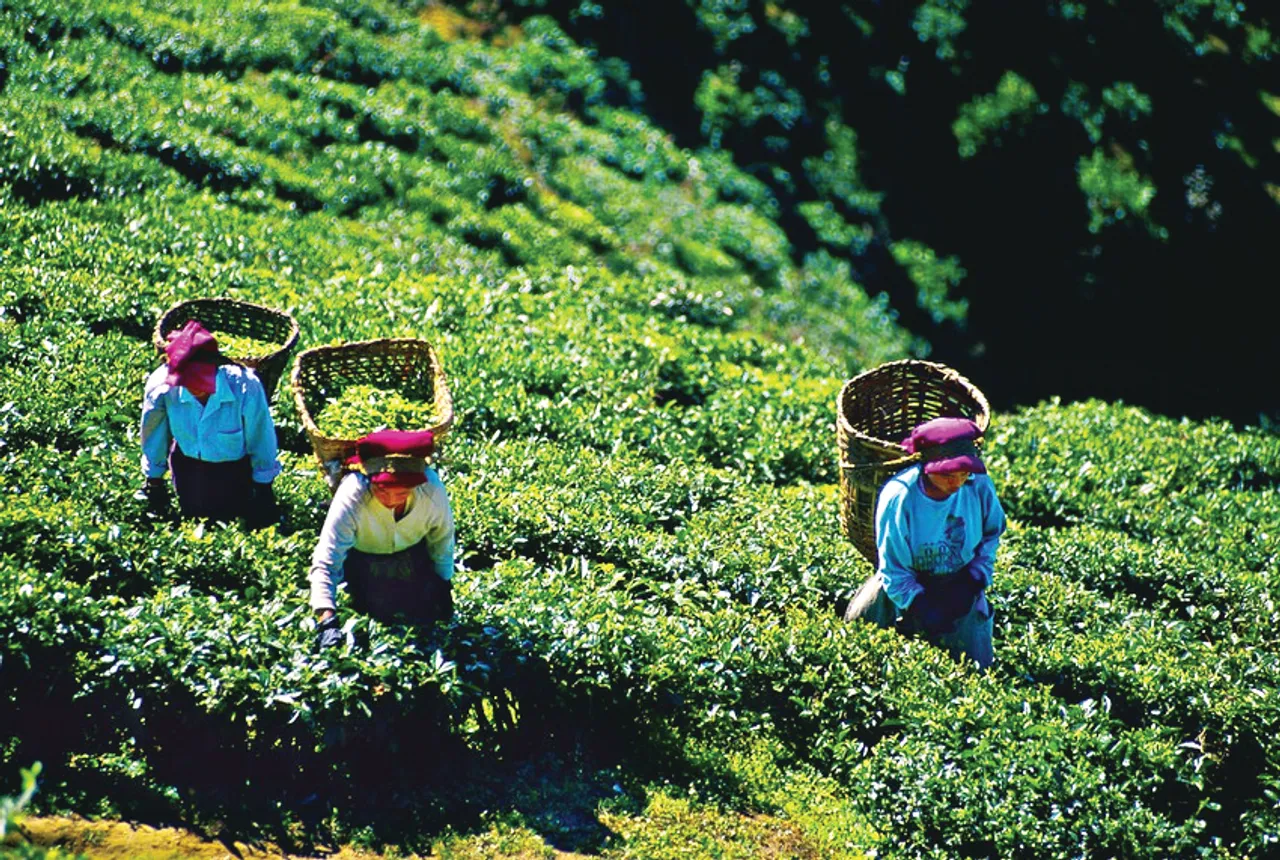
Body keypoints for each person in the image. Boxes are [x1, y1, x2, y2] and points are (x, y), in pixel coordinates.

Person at [844, 416, 1006, 669]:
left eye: (963, 472)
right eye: (947, 474)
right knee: (875, 662)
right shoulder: (900, 496)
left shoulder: (978, 485)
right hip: (903, 588)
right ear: (927, 465)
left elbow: (991, 535)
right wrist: (921, 605)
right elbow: (894, 568)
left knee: (971, 670)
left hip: (960, 582)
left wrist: (972, 581)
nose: (956, 482)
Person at [309, 429, 455, 648]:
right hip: (361, 561)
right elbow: (326, 561)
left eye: (402, 492)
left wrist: (444, 584)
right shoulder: (353, 492)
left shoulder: (431, 490)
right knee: (368, 619)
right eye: (383, 490)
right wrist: (327, 621)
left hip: (414, 555)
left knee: (425, 623)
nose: (392, 500)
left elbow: (442, 541)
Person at [140, 320, 281, 526]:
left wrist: (263, 486)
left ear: (215, 368)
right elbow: (154, 434)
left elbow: (261, 437)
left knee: (235, 522)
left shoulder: (245, 387)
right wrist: (154, 480)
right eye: (186, 380)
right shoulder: (161, 386)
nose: (194, 387)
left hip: (234, 471)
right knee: (193, 521)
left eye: (199, 379)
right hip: (187, 468)